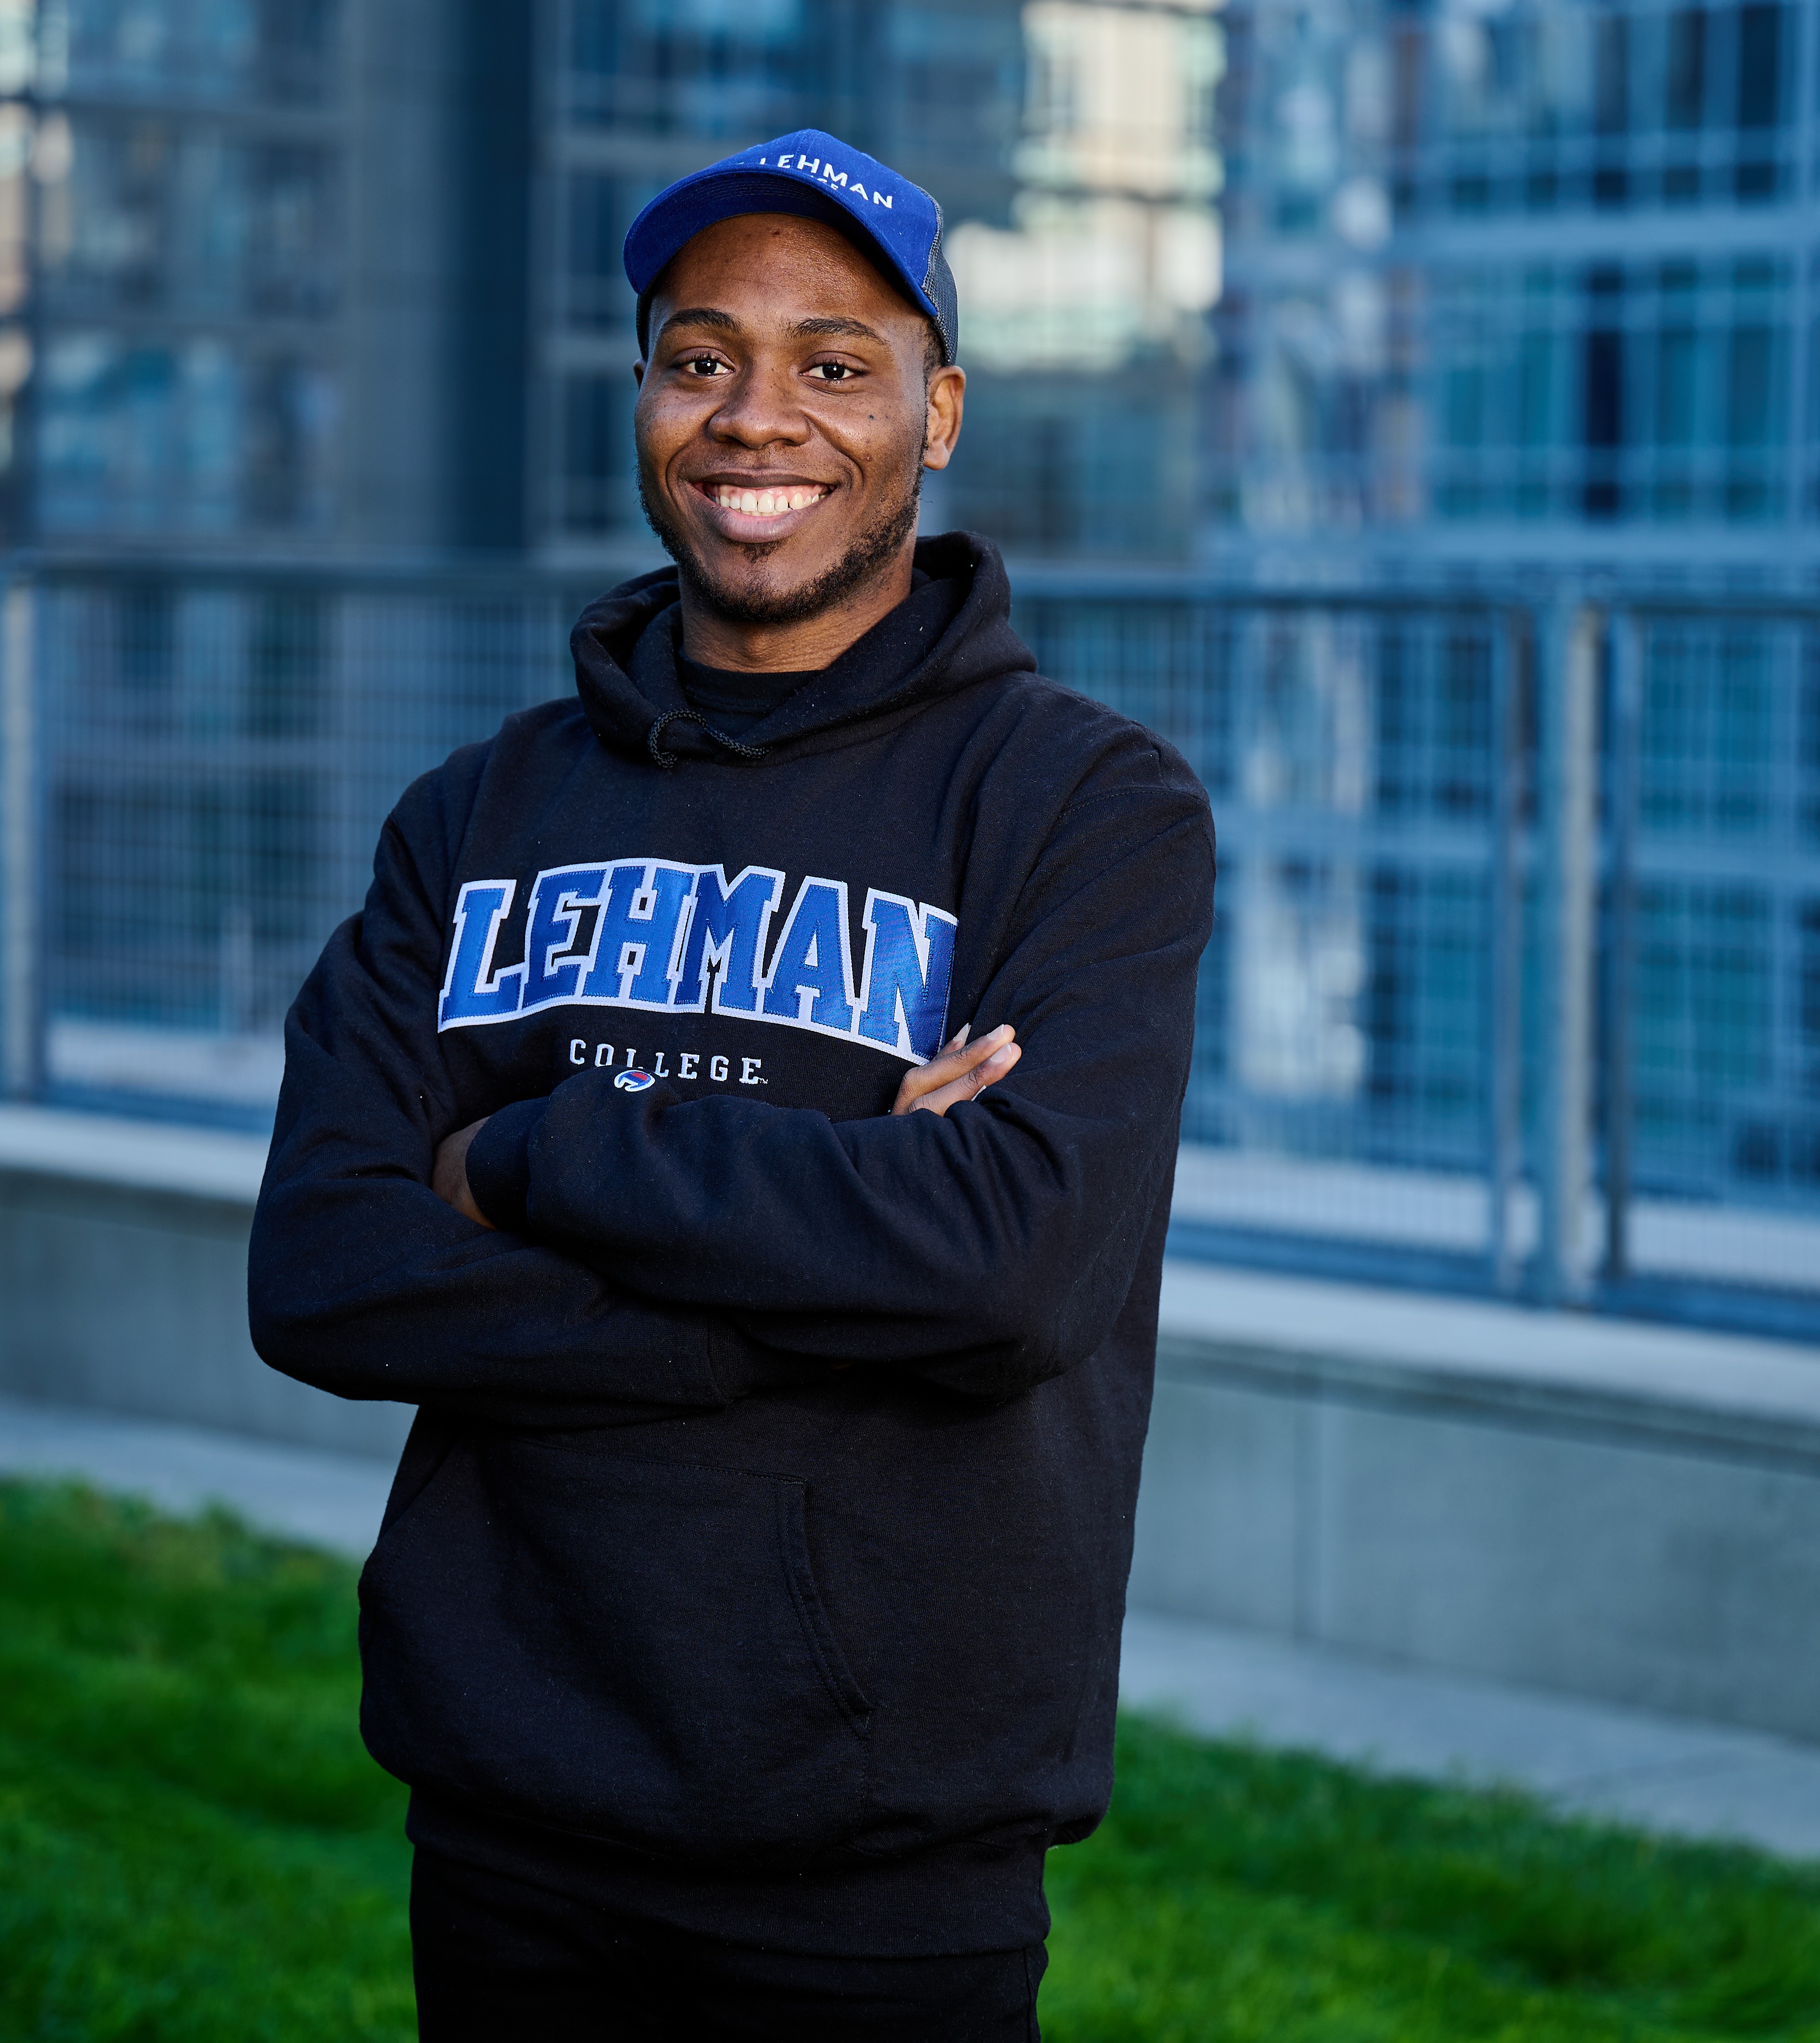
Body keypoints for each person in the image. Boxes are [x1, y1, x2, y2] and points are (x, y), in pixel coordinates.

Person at [247, 128, 1213, 2041]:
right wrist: (840, 1256)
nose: (755, 418)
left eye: (833, 365)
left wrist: (527, 1152)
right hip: (511, 1810)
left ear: (935, 417)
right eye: (702, 359)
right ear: (643, 401)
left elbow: (1011, 1267)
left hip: (877, 1857)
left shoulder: (1086, 811)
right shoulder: (482, 814)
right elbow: (325, 1266)